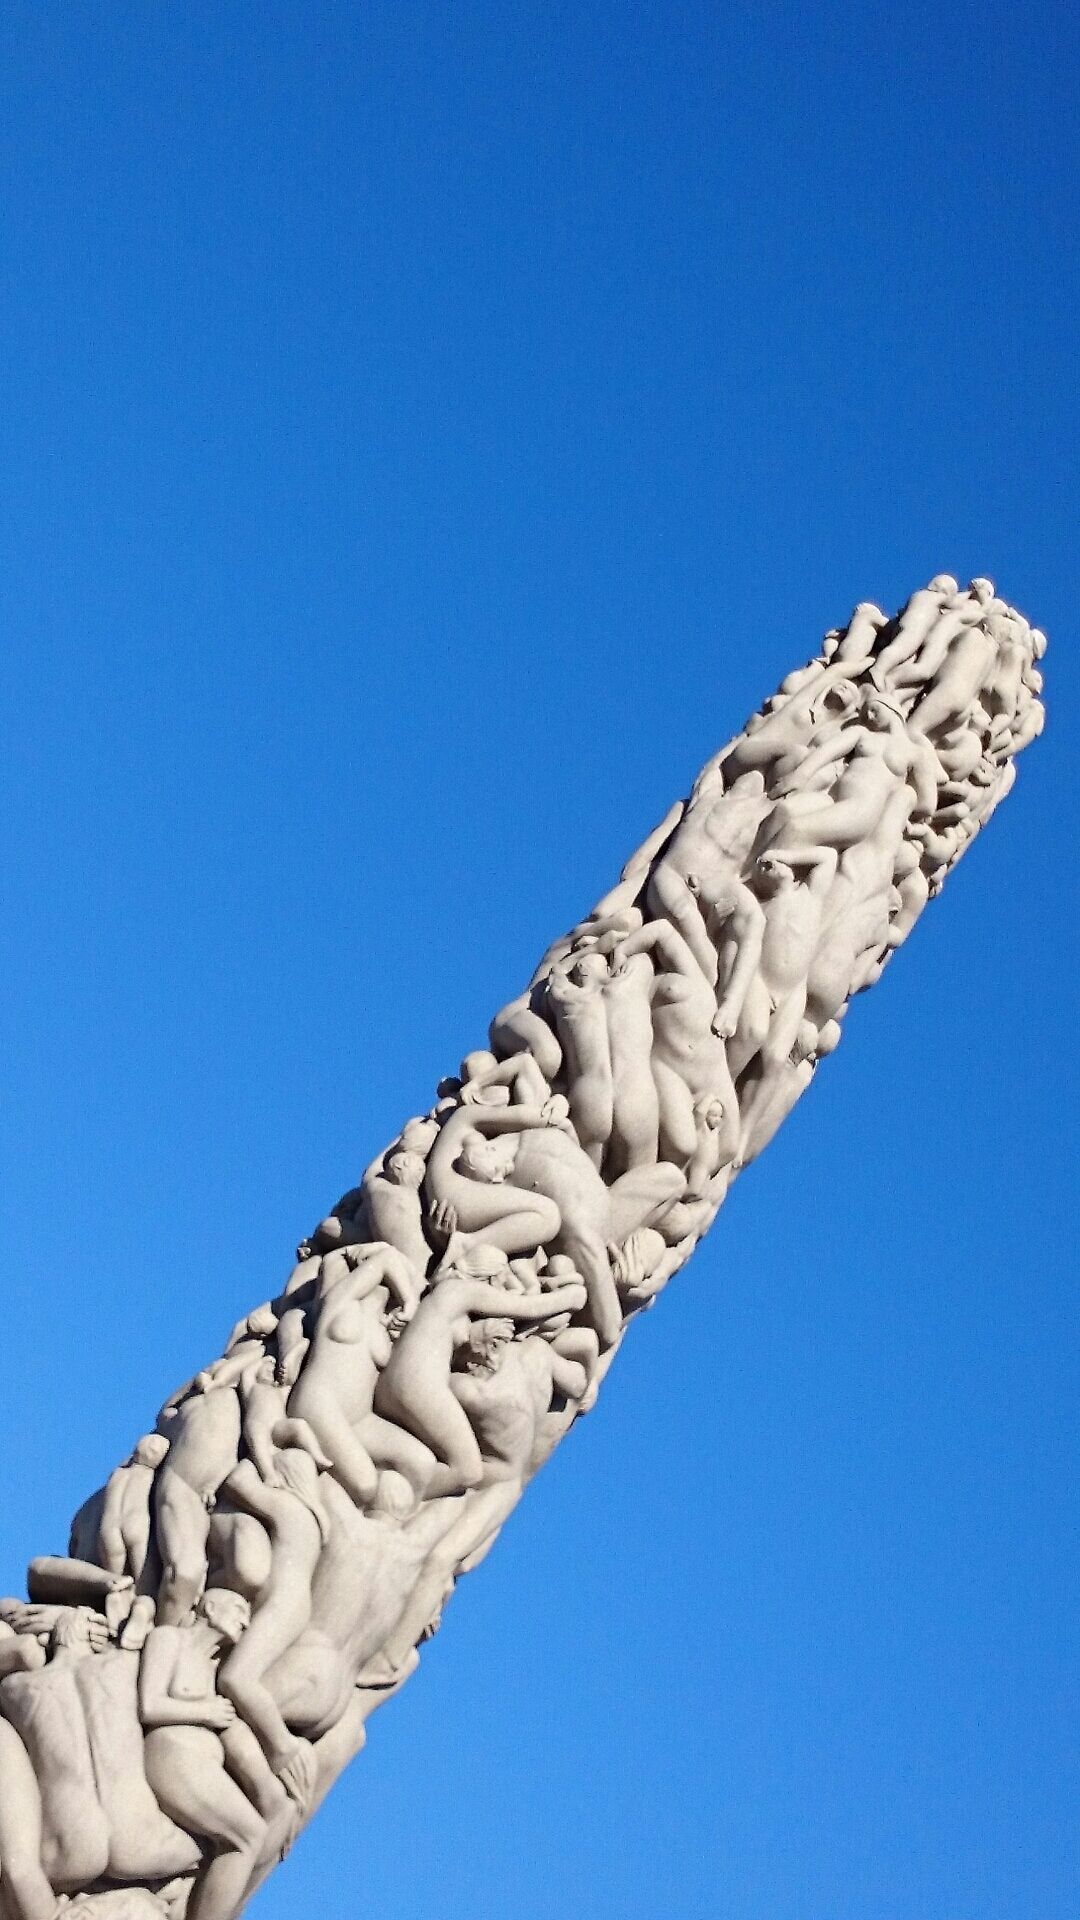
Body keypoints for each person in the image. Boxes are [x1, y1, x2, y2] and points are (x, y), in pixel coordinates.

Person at [365, 1320, 587, 1682]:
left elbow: (417, 1389)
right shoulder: (537, 1354)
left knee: (439, 1558)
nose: (471, 1363)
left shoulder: (468, 1389)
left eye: (471, 1356)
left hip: (490, 1487)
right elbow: (578, 1383)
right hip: (493, 1479)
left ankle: (389, 1658)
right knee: (426, 1550)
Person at [373, 1247, 587, 1496]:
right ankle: (391, 1498)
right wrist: (570, 1298)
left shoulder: (444, 1296)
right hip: (419, 1386)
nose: (505, 1287)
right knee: (468, 1471)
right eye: (503, 1281)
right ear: (491, 1278)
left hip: (394, 1383)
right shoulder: (462, 1291)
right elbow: (527, 1307)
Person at [140, 1589, 292, 1920]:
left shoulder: (213, 1669)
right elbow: (149, 1705)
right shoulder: (169, 1639)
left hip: (202, 1763)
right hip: (173, 1755)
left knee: (265, 1826)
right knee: (247, 1836)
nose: (245, 1621)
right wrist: (205, 1711)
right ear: (209, 1607)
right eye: (238, 1609)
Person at [285, 1242, 433, 1505]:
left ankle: (389, 1524)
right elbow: (386, 1257)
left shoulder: (386, 1329)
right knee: (365, 1486)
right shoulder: (339, 1300)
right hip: (320, 1404)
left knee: (422, 1464)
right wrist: (409, 1301)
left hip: (360, 1418)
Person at [644, 771, 772, 986]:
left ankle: (724, 993)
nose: (753, 779)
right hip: (672, 875)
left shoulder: (759, 815)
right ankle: (710, 987)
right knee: (689, 925)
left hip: (711, 886)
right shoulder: (706, 797)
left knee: (720, 948)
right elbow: (710, 771)